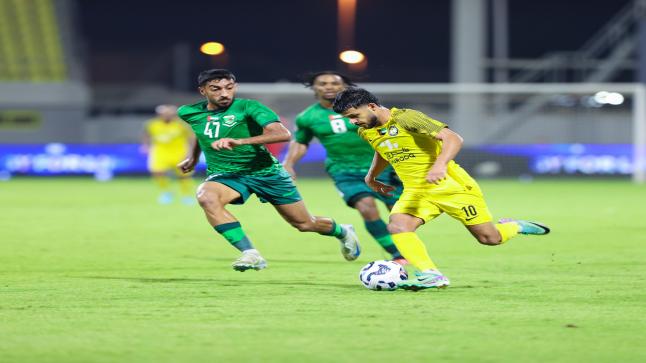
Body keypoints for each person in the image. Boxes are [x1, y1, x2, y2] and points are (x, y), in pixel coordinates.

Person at [332, 88, 550, 290]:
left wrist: (440, 165)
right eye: (348, 119)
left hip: (451, 187)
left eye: (354, 115)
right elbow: (383, 149)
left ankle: (514, 227)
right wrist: (371, 176)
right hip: (416, 191)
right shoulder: (366, 130)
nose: (353, 122)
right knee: (398, 225)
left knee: (489, 238)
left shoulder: (406, 118)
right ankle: (430, 274)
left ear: (371, 106)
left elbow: (453, 138)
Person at [176, 69, 360, 272]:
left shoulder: (249, 107)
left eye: (229, 88)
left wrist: (240, 141)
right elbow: (200, 131)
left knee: (304, 223)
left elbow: (283, 134)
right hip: (227, 174)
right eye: (216, 89)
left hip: (266, 173)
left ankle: (342, 231)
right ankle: (250, 253)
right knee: (206, 197)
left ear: (235, 87)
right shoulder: (189, 112)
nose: (224, 94)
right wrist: (193, 158)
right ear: (203, 91)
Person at [282, 71, 405, 262]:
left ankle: (409, 249)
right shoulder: (307, 117)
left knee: (398, 213)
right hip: (343, 171)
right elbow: (300, 142)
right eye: (322, 83)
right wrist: (288, 163)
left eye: (334, 83)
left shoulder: (365, 108)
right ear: (314, 88)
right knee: (367, 208)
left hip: (382, 168)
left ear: (344, 87)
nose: (329, 86)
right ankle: (398, 255)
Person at [142, 104, 194, 205]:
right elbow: (146, 135)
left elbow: (191, 138)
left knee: (184, 175)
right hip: (160, 152)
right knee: (157, 172)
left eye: (169, 114)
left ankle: (186, 195)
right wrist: (145, 146)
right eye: (164, 114)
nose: (167, 116)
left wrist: (190, 151)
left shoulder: (181, 125)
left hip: (179, 153)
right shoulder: (152, 124)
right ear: (159, 114)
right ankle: (166, 192)